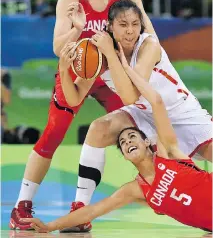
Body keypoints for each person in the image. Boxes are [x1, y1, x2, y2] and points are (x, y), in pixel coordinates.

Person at [10, 0, 158, 231]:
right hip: (78, 72)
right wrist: (77, 30)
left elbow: (149, 37)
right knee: (53, 133)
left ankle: (81, 210)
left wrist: (133, 64)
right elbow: (57, 47)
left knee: (135, 131)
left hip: (112, 74)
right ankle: (21, 206)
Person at [57, 0, 212, 232]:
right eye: (122, 24)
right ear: (110, 26)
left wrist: (111, 53)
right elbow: (74, 98)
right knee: (99, 129)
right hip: (145, 113)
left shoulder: (149, 46)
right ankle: (80, 209)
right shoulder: (98, 52)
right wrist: (63, 69)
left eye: (135, 24)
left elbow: (130, 95)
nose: (130, 30)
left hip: (183, 114)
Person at [20, 46, 212, 233]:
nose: (127, 141)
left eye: (132, 136)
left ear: (148, 142)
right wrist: (50, 226)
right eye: (123, 142)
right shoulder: (136, 190)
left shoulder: (168, 154)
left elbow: (157, 102)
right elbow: (93, 211)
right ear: (125, 157)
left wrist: (126, 68)